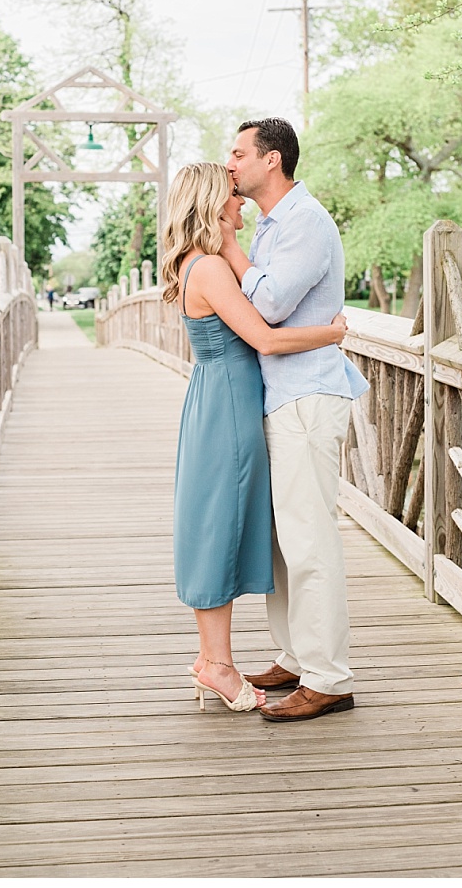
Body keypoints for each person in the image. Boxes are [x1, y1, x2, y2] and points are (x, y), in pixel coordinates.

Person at [161, 163, 348, 712]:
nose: (240, 201)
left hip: (224, 398)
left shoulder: (201, 262)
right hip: (229, 405)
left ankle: (219, 658)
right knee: (218, 524)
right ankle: (216, 663)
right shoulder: (211, 268)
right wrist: (332, 332)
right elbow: (265, 338)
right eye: (231, 196)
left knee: (220, 522)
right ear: (213, 207)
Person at [221, 118, 370, 723]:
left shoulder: (305, 221)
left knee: (309, 540)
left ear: (272, 160)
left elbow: (272, 304)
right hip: (281, 397)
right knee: (284, 543)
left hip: (307, 396)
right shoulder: (270, 226)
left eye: (239, 153)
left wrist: (228, 248)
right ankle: (296, 656)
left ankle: (329, 677)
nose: (229, 164)